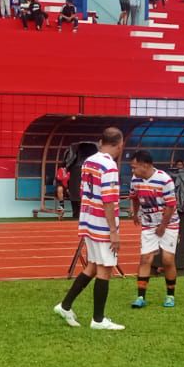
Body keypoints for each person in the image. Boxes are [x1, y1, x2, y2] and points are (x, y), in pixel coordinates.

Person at [54, 127, 125, 331]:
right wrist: (113, 230)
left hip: (88, 220)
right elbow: (109, 200)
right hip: (101, 223)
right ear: (119, 145)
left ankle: (65, 306)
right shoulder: (109, 166)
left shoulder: (89, 161)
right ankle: (98, 319)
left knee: (93, 266)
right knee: (105, 269)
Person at [128, 151, 179, 309]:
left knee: (167, 260)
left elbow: (171, 205)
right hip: (148, 224)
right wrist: (136, 213)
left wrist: (163, 226)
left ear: (145, 165)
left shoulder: (164, 179)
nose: (132, 170)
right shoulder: (135, 180)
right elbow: (134, 197)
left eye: (134, 167)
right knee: (145, 259)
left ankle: (170, 295)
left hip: (169, 224)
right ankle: (140, 297)